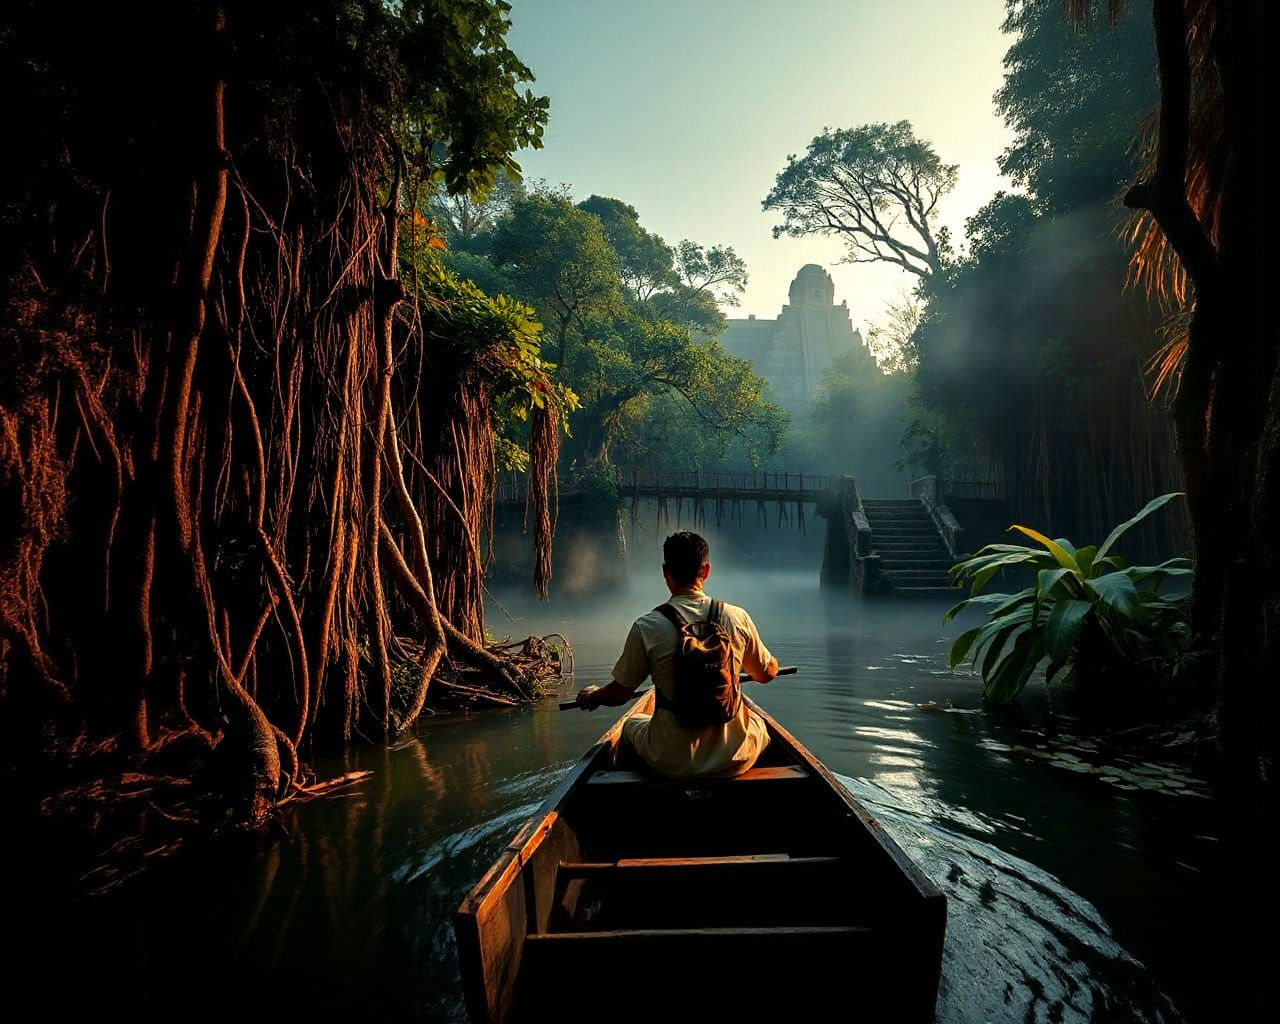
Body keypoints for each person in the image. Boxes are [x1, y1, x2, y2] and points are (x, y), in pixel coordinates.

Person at [576, 531, 779, 777]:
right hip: (732, 760)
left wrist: (593, 695)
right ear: (705, 571)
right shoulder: (737, 618)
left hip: (670, 762)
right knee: (760, 725)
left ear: (665, 572)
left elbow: (620, 693)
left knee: (630, 724)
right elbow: (767, 673)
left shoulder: (647, 626)